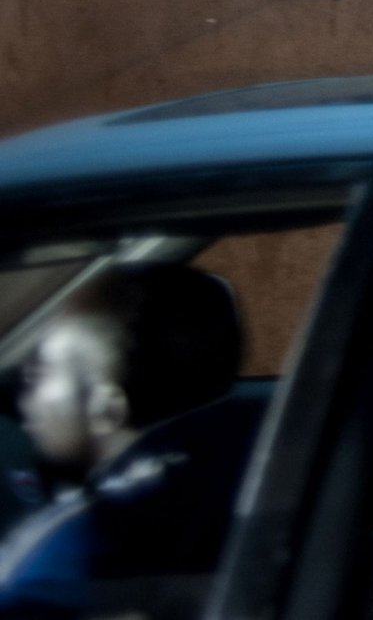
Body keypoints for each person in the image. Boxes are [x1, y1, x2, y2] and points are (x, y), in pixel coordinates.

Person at [0, 263, 246, 616]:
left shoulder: (78, 545)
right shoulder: (264, 462)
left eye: (46, 366)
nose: (27, 382)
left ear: (107, 409)